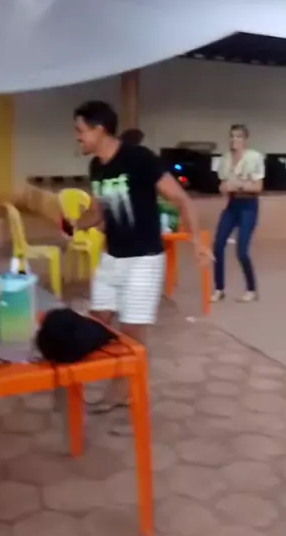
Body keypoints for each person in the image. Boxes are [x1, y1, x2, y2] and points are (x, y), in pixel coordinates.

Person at [72, 100, 212, 418]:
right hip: (111, 257)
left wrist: (196, 241)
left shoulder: (138, 158)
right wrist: (74, 224)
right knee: (97, 322)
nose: (77, 137)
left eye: (80, 130)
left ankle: (120, 392)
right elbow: (97, 211)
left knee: (131, 334)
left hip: (143, 261)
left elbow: (180, 198)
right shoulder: (97, 167)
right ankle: (113, 381)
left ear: (99, 129)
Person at [211, 124, 265, 304]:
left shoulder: (254, 157)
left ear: (245, 140)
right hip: (232, 205)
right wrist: (224, 187)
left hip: (248, 206)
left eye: (239, 137)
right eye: (232, 136)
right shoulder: (225, 159)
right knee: (218, 246)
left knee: (241, 251)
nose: (234, 140)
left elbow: (257, 187)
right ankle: (219, 289)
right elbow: (222, 184)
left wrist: (239, 185)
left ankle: (251, 289)